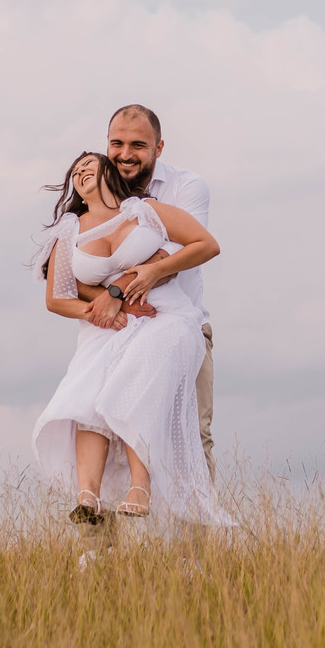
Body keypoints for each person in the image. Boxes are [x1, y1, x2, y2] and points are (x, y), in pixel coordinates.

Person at [32, 151, 231, 526]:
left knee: (127, 384)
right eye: (75, 171)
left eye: (89, 164)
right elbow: (57, 298)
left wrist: (152, 270)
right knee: (87, 397)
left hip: (164, 316)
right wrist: (105, 312)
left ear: (108, 170)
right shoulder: (69, 230)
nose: (82, 171)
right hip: (108, 326)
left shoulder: (145, 212)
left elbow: (205, 244)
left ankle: (141, 486)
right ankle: (87, 497)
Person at [77, 105, 219, 483]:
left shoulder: (186, 187)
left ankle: (196, 543)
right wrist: (103, 299)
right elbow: (69, 266)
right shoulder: (93, 190)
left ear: (159, 147)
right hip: (113, 333)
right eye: (117, 143)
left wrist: (117, 288)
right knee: (98, 426)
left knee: (191, 434)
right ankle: (99, 543)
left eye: (138, 145)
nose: (125, 155)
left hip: (180, 326)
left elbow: (176, 254)